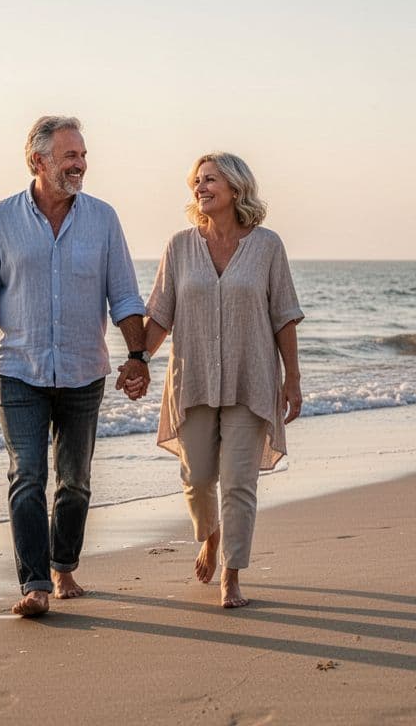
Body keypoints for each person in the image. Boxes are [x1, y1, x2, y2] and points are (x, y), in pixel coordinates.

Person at [0, 116, 149, 617]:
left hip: (84, 370)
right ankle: (36, 584)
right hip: (19, 369)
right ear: (37, 161)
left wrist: (137, 357)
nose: (81, 164)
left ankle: (64, 565)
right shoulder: (1, 220)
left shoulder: (103, 219)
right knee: (26, 475)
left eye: (83, 155)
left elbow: (125, 295)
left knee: (74, 481)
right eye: (70, 156)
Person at [124, 151, 303, 609]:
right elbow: (161, 314)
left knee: (239, 482)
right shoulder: (180, 247)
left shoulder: (267, 247)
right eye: (197, 182)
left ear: (236, 189)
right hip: (195, 379)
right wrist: (138, 359)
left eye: (210, 180)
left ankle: (232, 575)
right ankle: (210, 536)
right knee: (197, 476)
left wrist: (293, 379)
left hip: (251, 380)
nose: (200, 188)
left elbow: (283, 315)